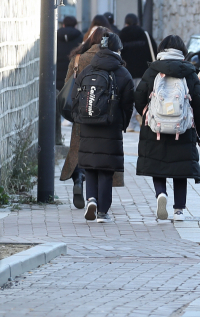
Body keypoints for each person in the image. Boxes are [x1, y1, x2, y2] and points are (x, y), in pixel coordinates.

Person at [134, 35, 200, 221]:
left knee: (158, 165)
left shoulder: (152, 70)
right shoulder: (189, 72)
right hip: (182, 129)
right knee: (180, 170)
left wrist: (146, 115)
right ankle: (179, 210)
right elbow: (199, 104)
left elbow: (139, 96)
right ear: (182, 51)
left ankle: (161, 194)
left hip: (155, 128)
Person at [72, 32, 134, 223]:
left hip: (88, 125)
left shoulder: (88, 70)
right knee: (106, 169)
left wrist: (79, 118)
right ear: (118, 49)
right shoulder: (122, 73)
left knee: (90, 166)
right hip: (110, 127)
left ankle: (91, 199)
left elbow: (76, 96)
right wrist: (122, 124)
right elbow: (128, 103)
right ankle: (102, 212)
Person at [60, 27, 125, 209]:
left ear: (90, 40)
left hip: (82, 115)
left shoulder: (78, 59)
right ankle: (98, 199)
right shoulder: (113, 60)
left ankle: (79, 180)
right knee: (101, 155)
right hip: (107, 117)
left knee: (81, 151)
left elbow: (68, 87)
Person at [120, 13, 157, 132]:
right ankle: (142, 120)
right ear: (138, 23)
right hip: (144, 73)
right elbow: (154, 52)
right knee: (142, 97)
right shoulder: (145, 35)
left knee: (128, 97)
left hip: (126, 73)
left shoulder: (121, 36)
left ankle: (130, 123)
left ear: (126, 23)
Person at [56, 16, 83, 91]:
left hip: (56, 74)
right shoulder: (80, 37)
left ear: (63, 25)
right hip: (73, 74)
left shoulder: (55, 37)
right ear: (75, 25)